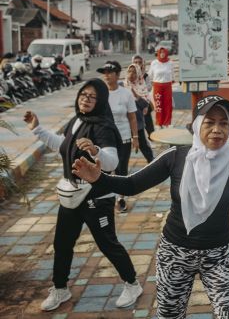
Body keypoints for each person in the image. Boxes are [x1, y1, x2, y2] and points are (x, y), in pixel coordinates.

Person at [70, 95, 229, 318]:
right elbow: (131, 186)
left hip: (219, 255)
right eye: (209, 123)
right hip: (175, 252)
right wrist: (100, 179)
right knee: (170, 314)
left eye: (223, 123)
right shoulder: (175, 158)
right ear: (196, 126)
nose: (217, 130)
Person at [23, 79, 142, 312]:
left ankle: (132, 284)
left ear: (100, 102)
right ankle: (60, 288)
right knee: (62, 243)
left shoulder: (103, 127)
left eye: (91, 96)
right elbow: (63, 145)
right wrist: (37, 129)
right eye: (83, 95)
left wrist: (95, 151)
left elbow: (112, 161)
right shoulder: (77, 120)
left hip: (97, 197)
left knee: (107, 244)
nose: (85, 99)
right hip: (71, 193)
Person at [99, 61, 139, 213]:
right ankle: (106, 198)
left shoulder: (126, 93)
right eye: (104, 72)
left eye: (110, 72)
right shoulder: (101, 93)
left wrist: (135, 137)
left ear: (117, 75)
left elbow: (132, 117)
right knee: (105, 169)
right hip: (105, 138)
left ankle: (120, 199)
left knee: (121, 169)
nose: (106, 75)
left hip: (123, 137)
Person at [125, 64, 155, 163]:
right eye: (130, 71)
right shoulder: (123, 86)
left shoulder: (141, 85)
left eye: (134, 72)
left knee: (143, 145)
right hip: (123, 123)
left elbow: (145, 105)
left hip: (137, 122)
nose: (131, 74)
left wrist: (136, 95)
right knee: (122, 148)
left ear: (138, 74)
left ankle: (151, 162)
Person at [150, 47, 174, 128]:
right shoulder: (154, 63)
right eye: (161, 52)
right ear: (158, 53)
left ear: (166, 53)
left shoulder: (170, 63)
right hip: (157, 85)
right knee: (158, 105)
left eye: (164, 52)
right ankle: (159, 123)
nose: (162, 54)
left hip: (167, 85)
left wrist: (172, 80)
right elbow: (150, 74)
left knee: (168, 104)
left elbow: (172, 74)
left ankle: (167, 122)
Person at [132, 54, 155, 136]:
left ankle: (151, 137)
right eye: (135, 62)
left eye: (139, 62)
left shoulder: (145, 75)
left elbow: (149, 88)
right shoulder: (130, 75)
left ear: (142, 63)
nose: (137, 64)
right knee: (136, 123)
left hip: (144, 102)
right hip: (134, 104)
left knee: (148, 123)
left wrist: (141, 79)